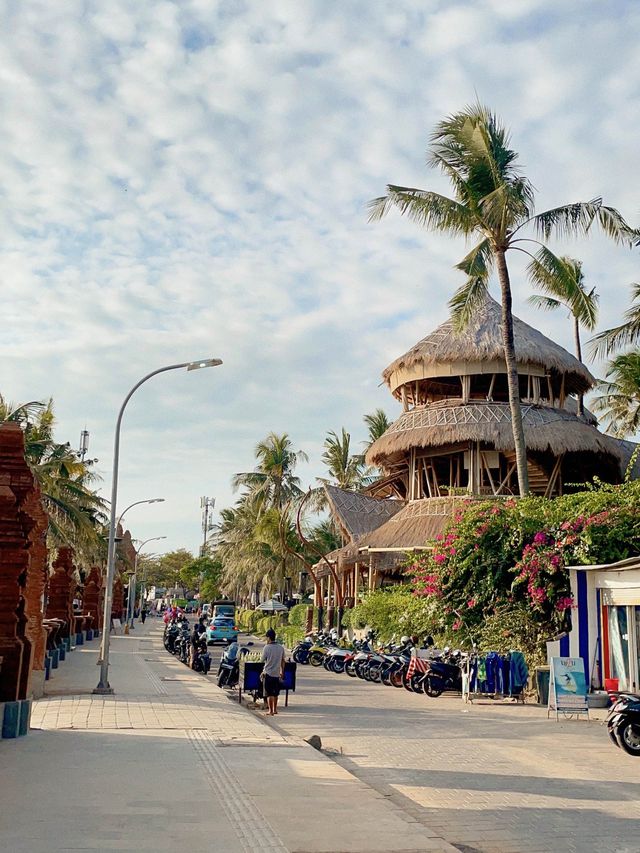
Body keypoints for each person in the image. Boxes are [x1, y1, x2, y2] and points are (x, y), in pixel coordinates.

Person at [261, 628, 286, 716]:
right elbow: (283, 661)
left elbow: (262, 659)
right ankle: (275, 709)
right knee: (275, 693)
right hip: (277, 673)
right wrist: (282, 672)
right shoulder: (280, 648)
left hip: (268, 673)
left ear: (268, 638)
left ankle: (270, 711)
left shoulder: (267, 648)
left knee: (269, 693)